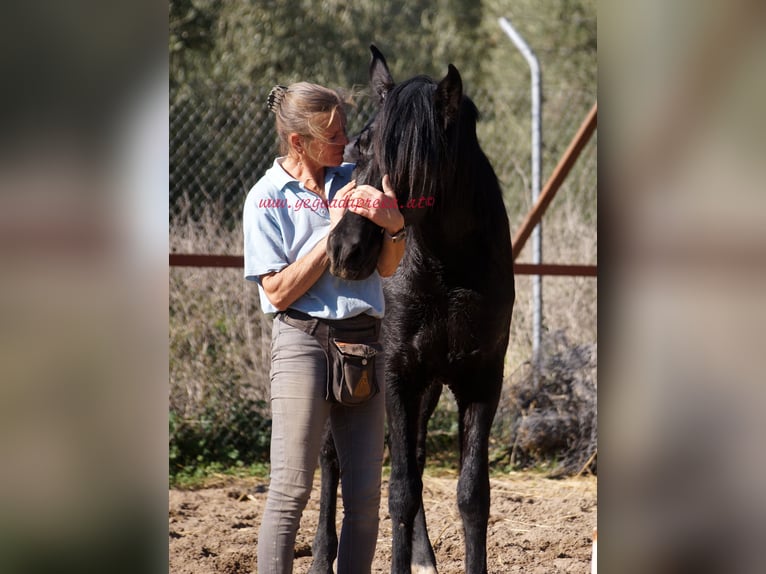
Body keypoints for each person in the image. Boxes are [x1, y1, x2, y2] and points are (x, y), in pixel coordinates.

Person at [243, 82, 406, 574]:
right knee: (291, 489)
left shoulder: (355, 182)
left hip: (362, 343)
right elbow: (277, 291)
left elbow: (388, 269)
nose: (345, 143)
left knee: (364, 497)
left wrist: (395, 226)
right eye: (333, 136)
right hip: (303, 344)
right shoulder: (267, 199)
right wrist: (331, 232)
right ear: (299, 142)